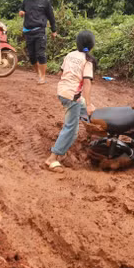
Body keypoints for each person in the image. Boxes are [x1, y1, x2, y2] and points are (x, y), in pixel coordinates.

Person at [45, 30, 97, 172]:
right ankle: (53, 158)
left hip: (62, 91)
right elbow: (87, 83)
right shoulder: (88, 61)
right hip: (72, 97)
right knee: (71, 129)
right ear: (91, 45)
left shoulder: (70, 55)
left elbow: (60, 73)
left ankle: (96, 137)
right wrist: (89, 103)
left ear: (78, 43)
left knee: (89, 114)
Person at [18, 0, 57, 84]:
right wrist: (21, 12)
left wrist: (54, 30)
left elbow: (51, 16)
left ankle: (43, 77)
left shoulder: (45, 0)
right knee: (32, 56)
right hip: (28, 31)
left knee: (40, 54)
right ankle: (38, 74)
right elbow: (21, 9)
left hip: (39, 31)